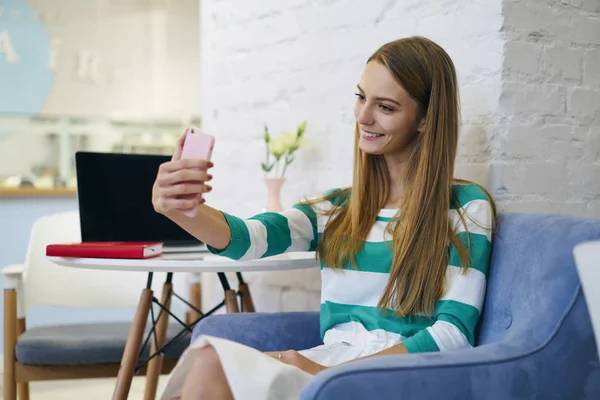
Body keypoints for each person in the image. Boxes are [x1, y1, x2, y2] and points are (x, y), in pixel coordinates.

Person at [152, 36, 496, 400]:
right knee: (207, 357)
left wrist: (326, 373)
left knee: (213, 367)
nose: (363, 117)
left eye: (386, 107)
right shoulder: (338, 210)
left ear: (425, 119)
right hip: (328, 364)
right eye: (361, 97)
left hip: (393, 377)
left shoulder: (466, 208)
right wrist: (179, 208)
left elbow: (453, 335)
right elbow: (247, 239)